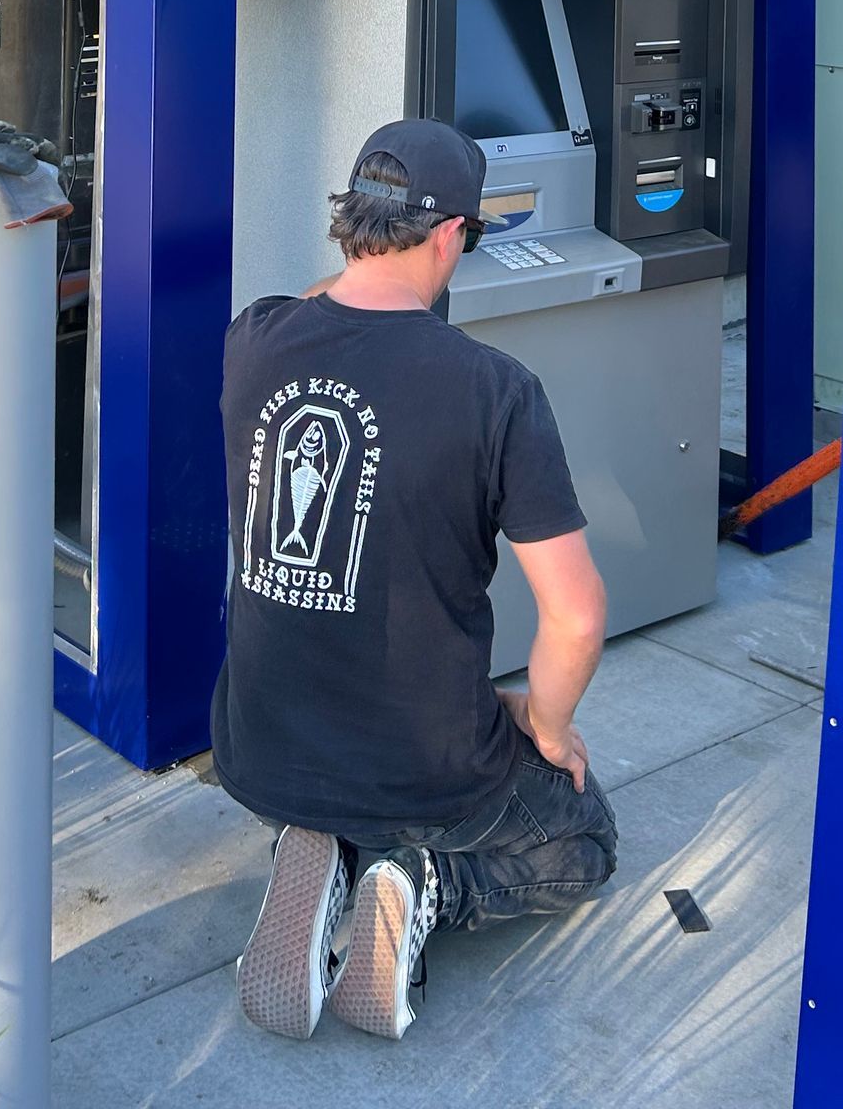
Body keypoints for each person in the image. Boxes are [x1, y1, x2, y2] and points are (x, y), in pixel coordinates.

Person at [212, 118, 617, 1045]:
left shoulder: (254, 339)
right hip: (425, 763)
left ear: (349, 223)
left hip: (259, 746)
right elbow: (578, 615)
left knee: (350, 779)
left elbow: (319, 301)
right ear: (450, 236)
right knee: (586, 841)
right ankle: (428, 883)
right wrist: (543, 726)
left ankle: (325, 848)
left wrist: (362, 264)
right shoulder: (495, 390)